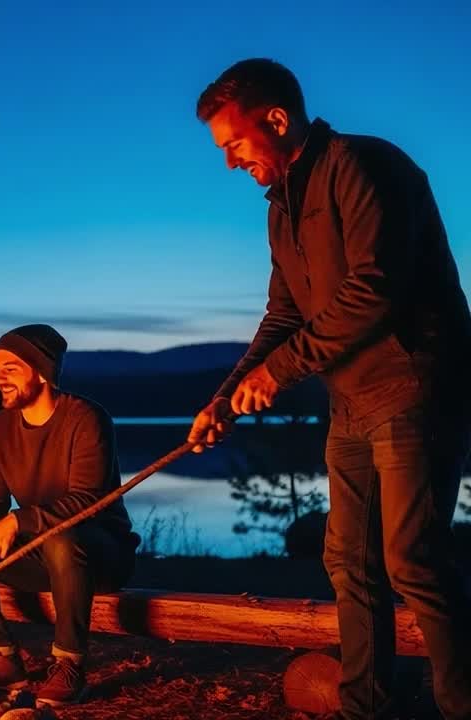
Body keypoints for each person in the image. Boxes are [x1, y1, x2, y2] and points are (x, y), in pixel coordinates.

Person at [190, 58, 471, 719]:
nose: (230, 163)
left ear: (277, 120)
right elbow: (283, 317)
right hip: (350, 404)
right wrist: (226, 398)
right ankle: (364, 706)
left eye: (234, 144)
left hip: (414, 386)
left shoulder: (364, 166)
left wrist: (279, 373)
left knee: (414, 561)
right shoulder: (281, 210)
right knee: (348, 560)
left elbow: (373, 290)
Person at [0, 324, 138, 704]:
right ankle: (1, 658)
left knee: (63, 539)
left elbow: (86, 502)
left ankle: (70, 666)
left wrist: (17, 521)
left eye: (10, 367)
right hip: (41, 555)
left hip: (100, 555)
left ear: (43, 371)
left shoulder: (86, 418)